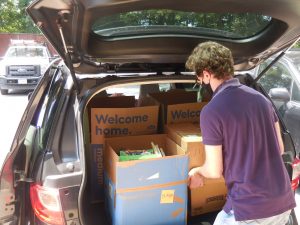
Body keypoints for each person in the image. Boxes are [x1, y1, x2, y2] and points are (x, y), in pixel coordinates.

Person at [185, 41, 296, 225]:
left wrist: (196, 171)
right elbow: (280, 148)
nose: (201, 82)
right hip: (283, 204)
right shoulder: (262, 100)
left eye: (199, 78)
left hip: (250, 210)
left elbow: (213, 170)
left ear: (206, 73)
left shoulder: (211, 111)